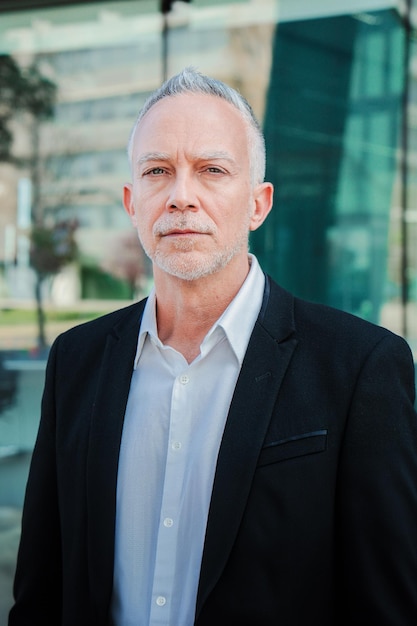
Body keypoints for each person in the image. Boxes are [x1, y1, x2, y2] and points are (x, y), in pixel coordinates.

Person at [9, 67, 417, 626]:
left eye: (211, 170)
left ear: (258, 203)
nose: (181, 196)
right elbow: (41, 593)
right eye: (158, 171)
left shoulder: (360, 368)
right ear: (132, 203)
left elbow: (386, 606)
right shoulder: (76, 360)